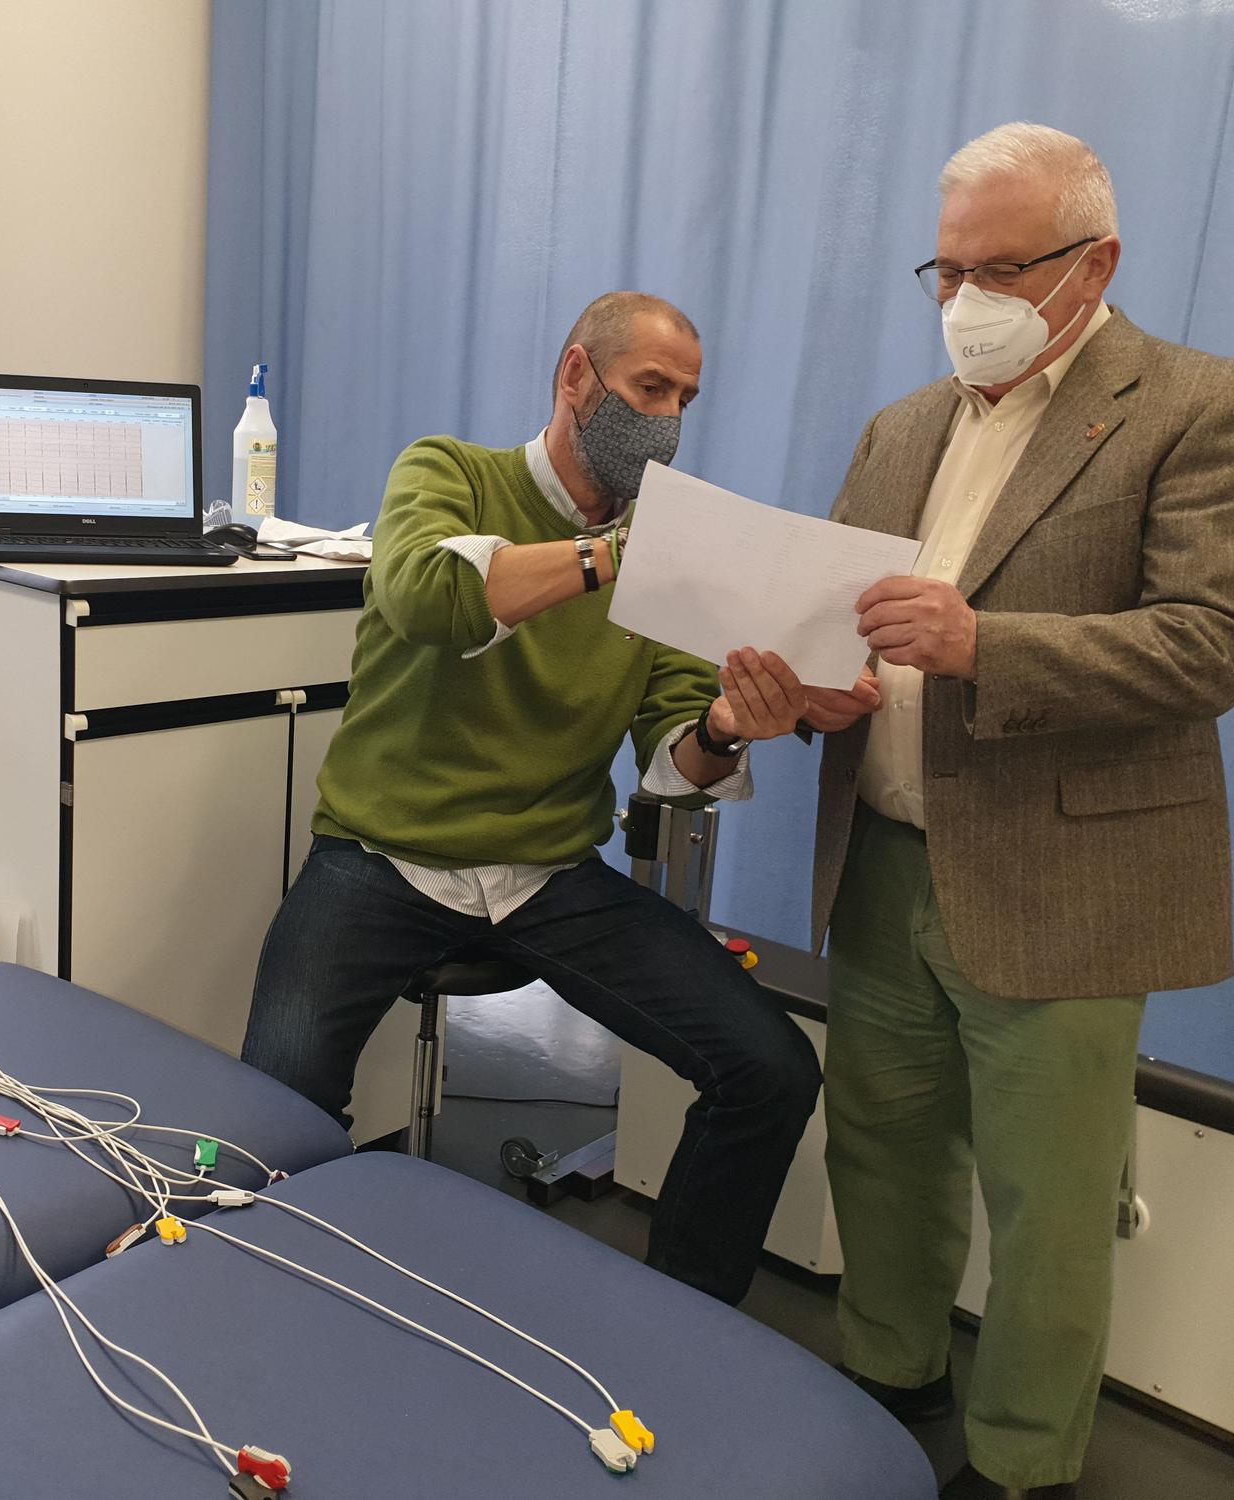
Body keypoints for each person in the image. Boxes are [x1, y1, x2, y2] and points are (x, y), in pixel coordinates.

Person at [801, 123, 1234, 1500]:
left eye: (1002, 269)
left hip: (1067, 875)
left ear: (1099, 261)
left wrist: (983, 645)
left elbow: (1210, 645)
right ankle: (888, 1391)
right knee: (882, 1156)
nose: (968, 303)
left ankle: (1023, 1466)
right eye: (945, 270)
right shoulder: (900, 428)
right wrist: (817, 683)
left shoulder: (1204, 405)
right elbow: (847, 619)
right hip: (888, 855)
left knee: (1049, 1205)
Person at [242, 291, 824, 1308]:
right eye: (648, 389)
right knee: (272, 1114)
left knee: (769, 1070)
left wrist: (728, 727)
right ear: (573, 377)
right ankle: (280, 1315)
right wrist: (612, 559)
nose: (667, 421)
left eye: (685, 398)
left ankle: (684, 1326)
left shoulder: (663, 557)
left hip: (549, 872)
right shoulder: (449, 472)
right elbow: (426, 594)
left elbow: (670, 760)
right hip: (381, 854)